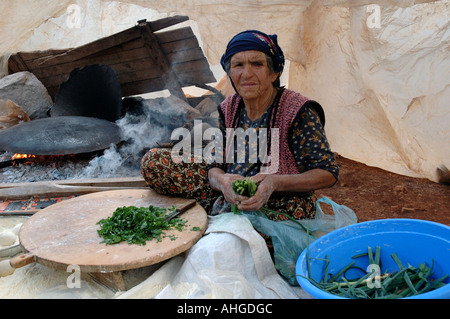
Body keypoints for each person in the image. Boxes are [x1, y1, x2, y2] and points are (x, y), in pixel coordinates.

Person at [140, 29, 339, 222]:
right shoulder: (229, 108)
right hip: (232, 190)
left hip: (279, 199)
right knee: (155, 161)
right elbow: (215, 166)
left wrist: (274, 182)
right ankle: (225, 207)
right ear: (230, 73)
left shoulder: (298, 111)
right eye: (238, 65)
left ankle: (232, 217)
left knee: (250, 228)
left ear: (274, 73)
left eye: (257, 64)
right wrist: (223, 182)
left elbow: (327, 173)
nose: (247, 74)